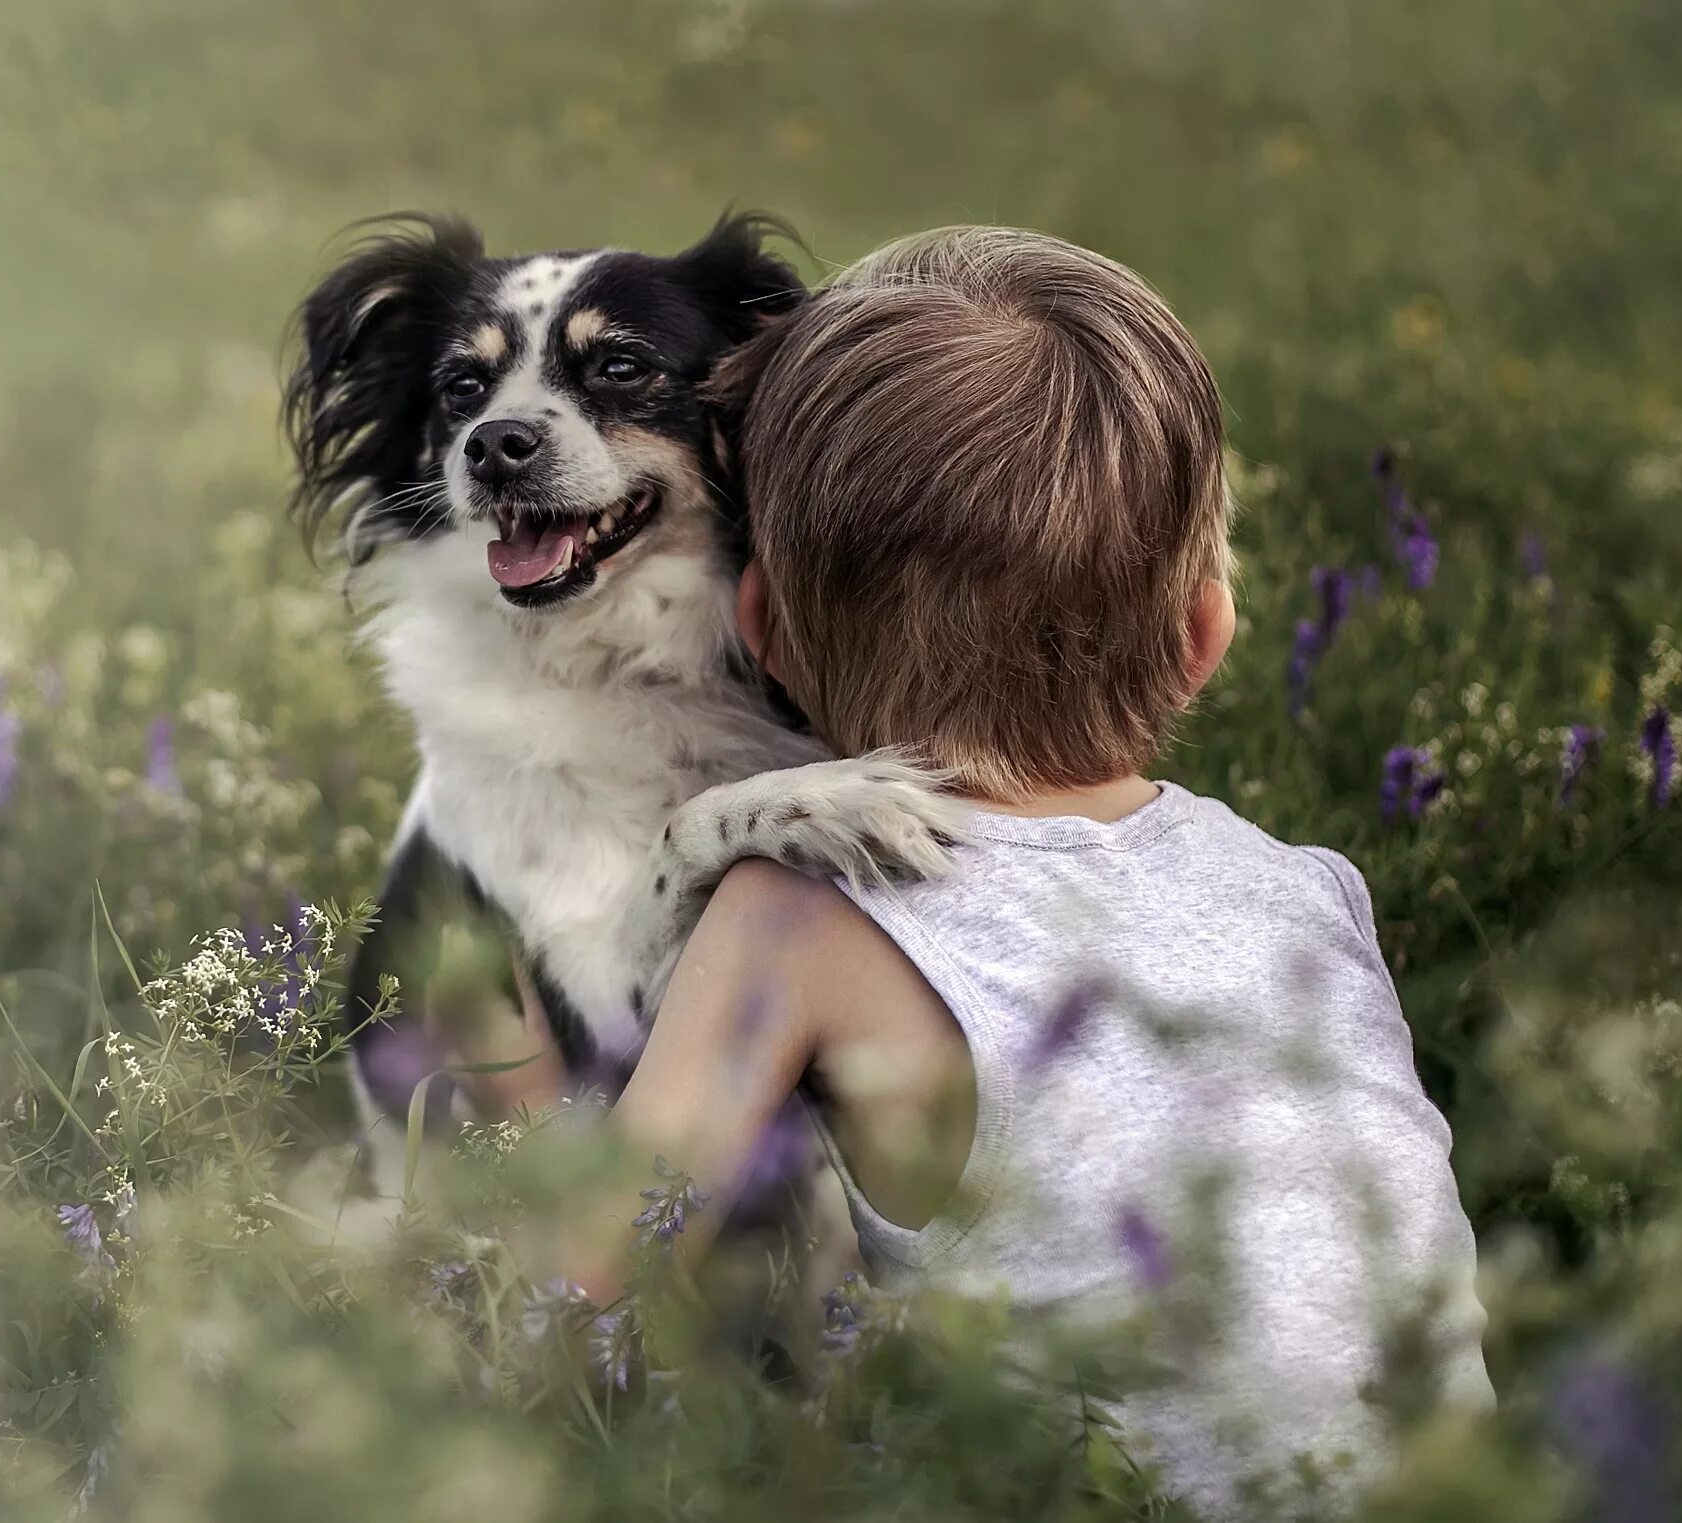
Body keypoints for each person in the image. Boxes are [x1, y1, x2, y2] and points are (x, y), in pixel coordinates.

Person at [570, 225, 1492, 1513]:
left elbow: (573, 1289)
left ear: (762, 625)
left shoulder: (793, 923)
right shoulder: (1312, 890)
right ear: (1205, 633)